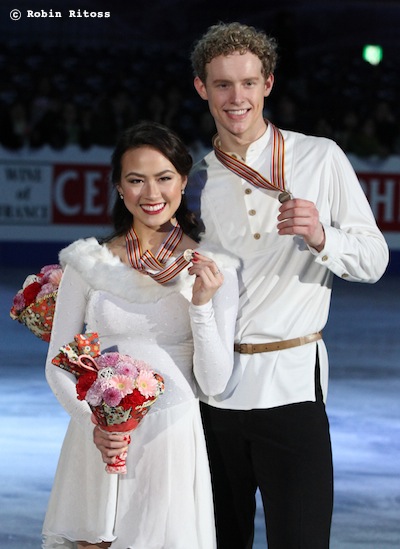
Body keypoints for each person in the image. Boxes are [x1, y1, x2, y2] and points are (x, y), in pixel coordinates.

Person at [187, 22, 389, 549]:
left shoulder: (320, 157)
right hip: (210, 396)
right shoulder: (193, 177)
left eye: (249, 83)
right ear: (201, 87)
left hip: (292, 390)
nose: (237, 98)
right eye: (223, 84)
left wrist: (323, 235)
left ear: (268, 85)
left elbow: (374, 260)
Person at [42, 121, 239, 549]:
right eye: (136, 180)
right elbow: (58, 362)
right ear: (118, 187)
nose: (152, 194)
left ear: (183, 182)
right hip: (99, 436)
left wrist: (202, 305)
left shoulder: (212, 267)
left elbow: (215, 382)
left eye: (164, 178)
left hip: (170, 439)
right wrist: (95, 425)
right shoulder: (86, 262)